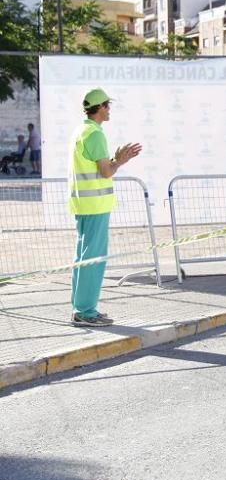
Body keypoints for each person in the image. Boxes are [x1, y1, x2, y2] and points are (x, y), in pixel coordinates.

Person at [68, 88, 142, 327]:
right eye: (107, 106)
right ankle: (85, 312)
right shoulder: (95, 134)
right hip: (95, 205)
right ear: (100, 108)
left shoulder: (82, 130)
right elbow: (106, 171)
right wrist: (120, 160)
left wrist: (115, 160)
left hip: (83, 203)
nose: (109, 110)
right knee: (93, 259)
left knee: (83, 257)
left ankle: (82, 308)